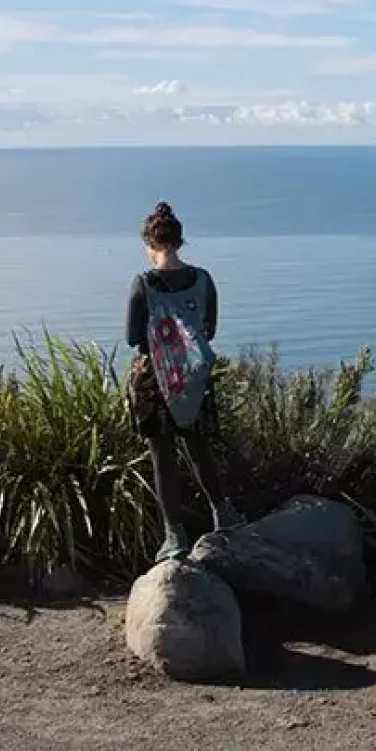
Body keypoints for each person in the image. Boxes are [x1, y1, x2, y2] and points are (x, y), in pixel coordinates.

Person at [126, 202, 243, 563]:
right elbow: (208, 329)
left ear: (149, 244)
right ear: (180, 242)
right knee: (198, 446)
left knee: (163, 456)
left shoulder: (143, 283)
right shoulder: (204, 279)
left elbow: (134, 337)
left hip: (154, 377)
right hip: (194, 375)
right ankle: (223, 514)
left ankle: (173, 536)